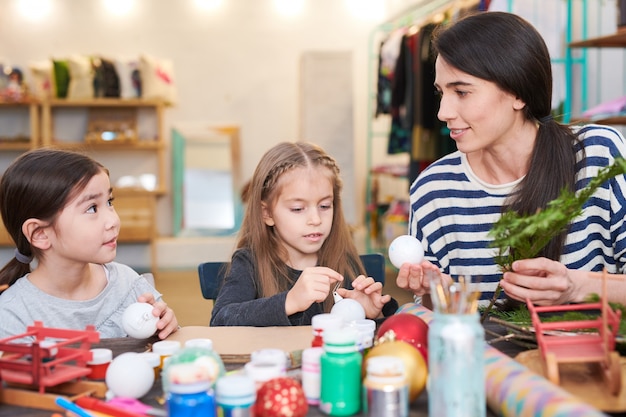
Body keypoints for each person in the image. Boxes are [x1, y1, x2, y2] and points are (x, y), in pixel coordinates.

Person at [396, 11, 626, 307]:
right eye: (441, 92)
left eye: (462, 92)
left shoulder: (598, 155)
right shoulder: (433, 190)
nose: (443, 112)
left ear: (518, 93)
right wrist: (436, 293)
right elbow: (439, 321)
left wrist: (576, 287)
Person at [211, 141, 398, 326]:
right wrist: (289, 301)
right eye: (298, 209)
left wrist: (372, 314)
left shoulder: (344, 262)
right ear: (266, 213)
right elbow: (220, 320)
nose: (315, 219)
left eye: (324, 206)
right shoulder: (249, 262)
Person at [0, 148, 178, 340]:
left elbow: (172, 355)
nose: (113, 221)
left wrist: (166, 328)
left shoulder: (127, 283)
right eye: (92, 208)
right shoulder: (13, 315)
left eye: (109, 202)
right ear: (40, 234)